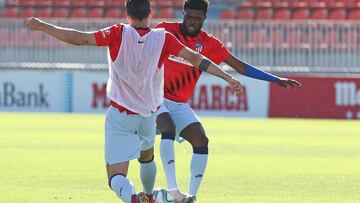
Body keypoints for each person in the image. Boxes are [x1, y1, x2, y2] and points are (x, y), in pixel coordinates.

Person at [25, 0, 244, 203]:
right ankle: (149, 194)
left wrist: (44, 26)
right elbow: (197, 59)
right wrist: (227, 77)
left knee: (116, 176)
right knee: (147, 158)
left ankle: (133, 198)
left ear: (127, 15)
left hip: (120, 116)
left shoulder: (117, 33)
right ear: (150, 14)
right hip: (149, 116)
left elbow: (79, 38)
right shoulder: (163, 37)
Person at [154, 0, 302, 202]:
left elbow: (240, 67)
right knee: (167, 129)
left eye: (197, 18)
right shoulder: (164, 30)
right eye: (189, 16)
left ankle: (191, 197)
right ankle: (172, 191)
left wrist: (275, 79)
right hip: (154, 97)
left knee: (201, 139)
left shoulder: (210, 43)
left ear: (204, 18)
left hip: (178, 103)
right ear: (183, 13)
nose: (192, 21)